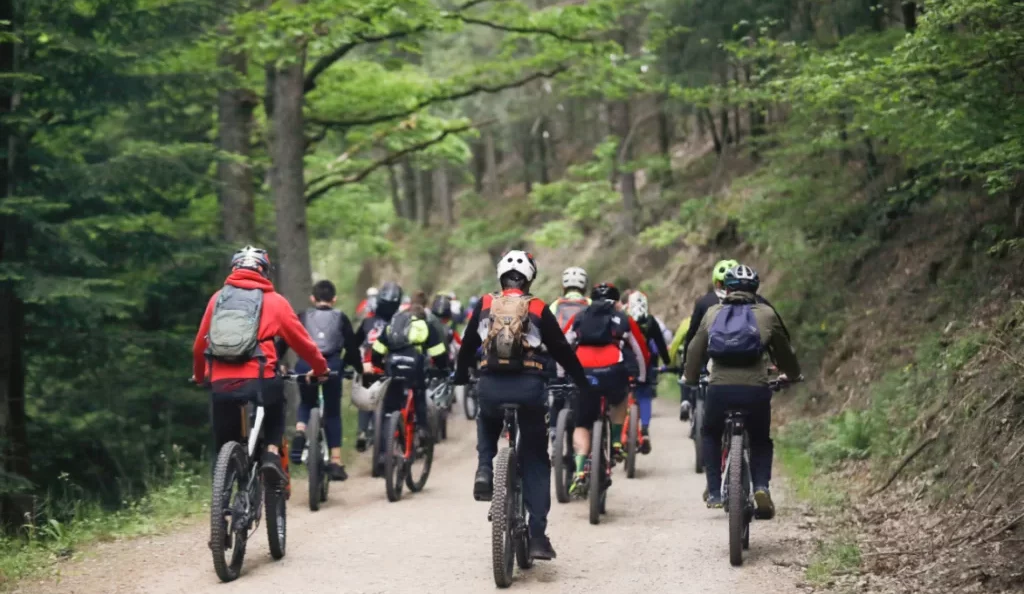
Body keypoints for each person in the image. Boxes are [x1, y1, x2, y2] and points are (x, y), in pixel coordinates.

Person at [455, 250, 590, 561]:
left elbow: (466, 348)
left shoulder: (485, 305)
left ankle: (486, 469)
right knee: (535, 459)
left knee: (487, 422)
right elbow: (561, 351)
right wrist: (581, 381)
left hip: (490, 387)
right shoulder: (539, 307)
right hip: (529, 389)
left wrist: (462, 376)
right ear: (530, 277)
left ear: (500, 276)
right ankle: (539, 537)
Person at [192, 246, 329, 485]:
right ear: (265, 272)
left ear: (234, 269)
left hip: (221, 382)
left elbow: (198, 346)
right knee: (277, 398)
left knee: (224, 441)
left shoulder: (218, 299)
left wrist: (201, 376)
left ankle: (223, 502)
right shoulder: (275, 302)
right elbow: (303, 343)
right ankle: (271, 453)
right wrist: (320, 369)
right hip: (260, 379)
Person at [684, 265, 801, 516]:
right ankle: (761, 486)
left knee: (711, 434)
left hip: (719, 390)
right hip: (755, 391)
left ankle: (714, 491)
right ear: (755, 290)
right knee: (760, 439)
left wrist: (691, 378)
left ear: (725, 289)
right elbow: (784, 352)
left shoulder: (713, 313)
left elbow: (695, 350)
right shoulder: (767, 315)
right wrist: (791, 375)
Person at [564, 283, 647, 497]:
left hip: (584, 372)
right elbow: (639, 350)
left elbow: (563, 344)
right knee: (620, 399)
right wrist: (642, 377)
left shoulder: (580, 317)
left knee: (582, 422)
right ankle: (617, 441)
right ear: (617, 301)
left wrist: (559, 373)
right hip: (613, 371)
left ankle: (581, 469)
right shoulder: (623, 319)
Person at [280, 280, 362, 481]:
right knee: (332, 411)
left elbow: (284, 340)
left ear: (312, 298)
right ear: (334, 299)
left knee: (306, 402)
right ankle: (335, 461)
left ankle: (300, 431)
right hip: (331, 367)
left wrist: (279, 363)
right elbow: (351, 349)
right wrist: (357, 369)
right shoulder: (340, 318)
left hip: (304, 365)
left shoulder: (302, 316)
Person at [370, 287, 449, 455]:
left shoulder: (394, 323)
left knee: (389, 408)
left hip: (393, 368)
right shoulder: (426, 325)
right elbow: (439, 353)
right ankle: (421, 429)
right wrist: (443, 370)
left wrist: (380, 366)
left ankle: (384, 453)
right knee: (418, 394)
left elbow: (377, 350)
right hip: (414, 369)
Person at [353, 281, 402, 452]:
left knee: (364, 401)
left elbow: (354, 343)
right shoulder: (399, 322)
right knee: (393, 407)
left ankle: (362, 431)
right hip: (392, 368)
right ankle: (390, 440)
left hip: (369, 367)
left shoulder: (368, 322)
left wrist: (350, 363)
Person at [625, 291, 671, 452]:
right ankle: (644, 430)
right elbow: (660, 343)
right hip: (647, 363)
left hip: (626, 364)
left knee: (621, 396)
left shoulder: (624, 319)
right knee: (645, 395)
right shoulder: (651, 321)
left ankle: (620, 432)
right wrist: (667, 362)